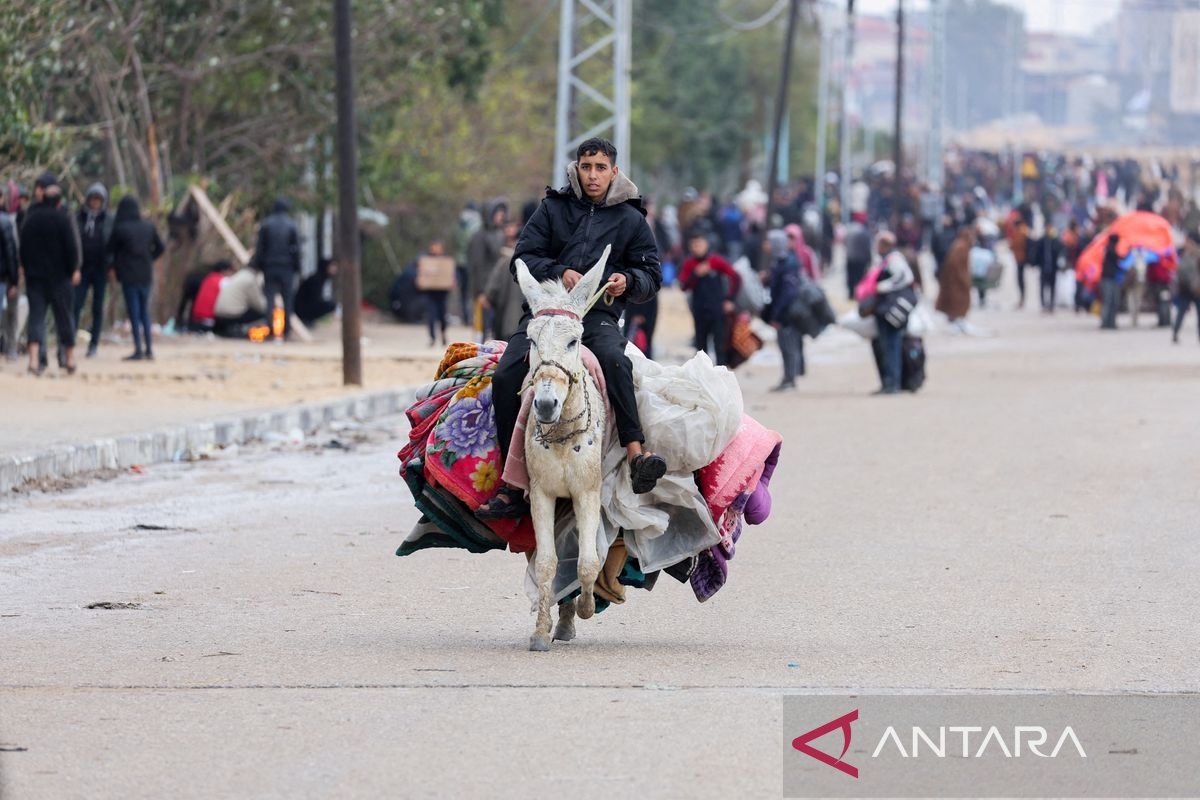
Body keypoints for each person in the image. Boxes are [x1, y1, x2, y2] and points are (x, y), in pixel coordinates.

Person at [480, 137, 663, 519]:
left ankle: (635, 453)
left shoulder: (631, 219)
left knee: (615, 360)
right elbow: (523, 259)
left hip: (596, 317)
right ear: (575, 169)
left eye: (600, 168)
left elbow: (651, 274)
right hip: (546, 314)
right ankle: (510, 483)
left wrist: (626, 281)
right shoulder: (552, 209)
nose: (593, 175)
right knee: (507, 374)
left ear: (614, 172)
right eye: (586, 167)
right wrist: (558, 272)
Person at [19, 181, 80, 375]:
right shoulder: (62, 219)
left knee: (36, 319)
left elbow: (23, 249)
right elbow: (71, 248)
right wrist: (73, 270)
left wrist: (26, 269)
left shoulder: (31, 219)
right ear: (58, 201)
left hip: (35, 278)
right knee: (64, 318)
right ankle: (69, 359)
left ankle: (34, 361)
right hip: (59, 278)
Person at [108, 195, 165, 361]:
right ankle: (149, 349)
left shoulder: (121, 229)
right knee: (144, 312)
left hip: (128, 275)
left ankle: (138, 349)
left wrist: (116, 265)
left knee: (134, 312)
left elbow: (109, 250)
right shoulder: (148, 227)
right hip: (145, 274)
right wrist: (149, 258)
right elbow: (161, 248)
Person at [678, 226, 739, 366]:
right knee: (700, 348)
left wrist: (730, 300)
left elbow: (736, 278)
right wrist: (695, 274)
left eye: (699, 244)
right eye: (693, 245)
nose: (696, 248)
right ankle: (703, 377)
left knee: (720, 346)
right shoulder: (689, 263)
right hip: (699, 310)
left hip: (718, 309)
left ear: (706, 243)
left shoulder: (716, 261)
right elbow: (683, 286)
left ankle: (721, 377)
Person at [870, 232, 916, 395]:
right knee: (886, 345)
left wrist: (883, 286)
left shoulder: (894, 260)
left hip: (893, 310)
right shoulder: (883, 260)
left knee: (892, 345)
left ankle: (893, 382)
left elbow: (904, 278)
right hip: (884, 309)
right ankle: (888, 381)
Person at [252, 198, 300, 341]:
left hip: (270, 266)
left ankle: (271, 331)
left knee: (270, 300)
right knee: (287, 300)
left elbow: (260, 248)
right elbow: (296, 249)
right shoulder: (292, 225)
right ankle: (286, 332)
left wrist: (257, 265)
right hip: (287, 267)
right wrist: (297, 267)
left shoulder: (266, 224)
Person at [763, 229, 803, 390]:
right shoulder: (780, 262)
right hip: (782, 310)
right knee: (785, 345)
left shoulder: (788, 262)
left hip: (786, 312)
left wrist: (778, 313)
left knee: (788, 345)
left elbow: (788, 291)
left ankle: (789, 379)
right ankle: (788, 378)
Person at [74, 183, 112, 357]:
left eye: (99, 199)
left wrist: (111, 265)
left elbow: (112, 243)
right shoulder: (79, 217)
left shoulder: (108, 220)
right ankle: (69, 340)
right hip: (81, 269)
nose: (96, 202)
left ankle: (94, 344)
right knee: (76, 305)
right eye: (93, 198)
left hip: (100, 270)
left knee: (97, 308)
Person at [467, 199, 507, 340]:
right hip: (484, 289)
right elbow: (475, 266)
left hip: (498, 288)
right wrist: (480, 292)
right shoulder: (479, 236)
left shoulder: (501, 234)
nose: (501, 216)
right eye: (498, 213)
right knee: (482, 328)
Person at [483, 221, 524, 341]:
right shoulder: (534, 262)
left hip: (504, 319)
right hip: (524, 322)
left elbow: (492, 287)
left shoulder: (504, 261)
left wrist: (488, 297)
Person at [415, 238, 451, 347]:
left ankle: (443, 334)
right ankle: (432, 338)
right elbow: (421, 273)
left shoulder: (446, 261)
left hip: (443, 294)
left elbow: (451, 274)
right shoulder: (427, 260)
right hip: (430, 293)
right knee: (431, 317)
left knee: (442, 316)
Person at [213, 266, 267, 336]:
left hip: (218, 315)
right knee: (263, 314)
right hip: (232, 316)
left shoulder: (238, 275)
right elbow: (260, 306)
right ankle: (242, 330)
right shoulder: (250, 279)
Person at [936, 225, 974, 325]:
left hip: (955, 279)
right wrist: (963, 278)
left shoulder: (961, 245)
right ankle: (955, 318)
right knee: (957, 300)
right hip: (956, 280)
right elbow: (955, 264)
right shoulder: (960, 247)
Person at [190, 261, 236, 332]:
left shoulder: (208, 278)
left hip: (196, 319)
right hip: (210, 320)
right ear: (224, 270)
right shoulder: (224, 281)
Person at [1172, 231, 1200, 344]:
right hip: (1185, 289)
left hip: (1197, 289)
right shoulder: (1181, 253)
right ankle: (1175, 332)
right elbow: (1178, 270)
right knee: (1181, 313)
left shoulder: (1197, 255)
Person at [0, 194, 18, 361]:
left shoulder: (5, 221)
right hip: (3, 277)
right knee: (9, 315)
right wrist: (14, 280)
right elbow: (11, 252)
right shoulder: (6, 221)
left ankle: (9, 348)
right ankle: (10, 349)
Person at [295, 258, 339, 327]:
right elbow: (314, 300)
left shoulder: (320, 278)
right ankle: (307, 319)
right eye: (332, 266)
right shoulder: (316, 280)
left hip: (305, 307)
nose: (335, 269)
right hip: (302, 310)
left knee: (330, 304)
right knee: (330, 305)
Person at [844, 212, 872, 301]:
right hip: (861, 259)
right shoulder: (864, 231)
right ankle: (858, 294)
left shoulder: (849, 230)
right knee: (859, 278)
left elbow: (845, 243)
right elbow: (867, 247)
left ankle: (851, 294)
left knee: (851, 277)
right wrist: (869, 259)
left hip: (850, 257)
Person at [1099, 233, 1121, 330]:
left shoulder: (1108, 249)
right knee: (1109, 301)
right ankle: (1106, 322)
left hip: (1110, 278)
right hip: (1108, 278)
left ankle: (1110, 322)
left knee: (1112, 301)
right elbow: (1118, 258)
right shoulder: (1110, 250)